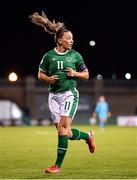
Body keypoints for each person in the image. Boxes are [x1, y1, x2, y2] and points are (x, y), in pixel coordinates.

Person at [29, 11, 96, 173]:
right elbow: (40, 74)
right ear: (59, 40)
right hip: (53, 96)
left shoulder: (75, 56)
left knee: (61, 130)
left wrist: (75, 74)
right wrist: (49, 79)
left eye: (72, 38)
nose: (71, 40)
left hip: (69, 94)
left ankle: (57, 166)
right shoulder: (49, 56)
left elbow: (86, 75)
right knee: (65, 132)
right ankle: (88, 136)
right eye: (68, 38)